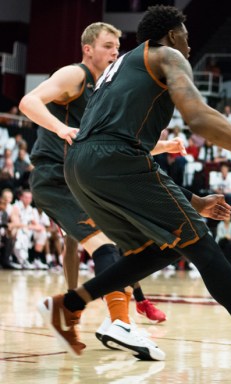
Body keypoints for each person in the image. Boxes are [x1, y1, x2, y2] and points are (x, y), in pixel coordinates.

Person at [36, 6, 231, 382]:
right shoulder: (166, 55)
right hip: (114, 159)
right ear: (170, 36)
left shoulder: (123, 67)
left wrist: (192, 200)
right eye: (185, 36)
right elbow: (199, 119)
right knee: (204, 249)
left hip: (79, 165)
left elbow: (113, 142)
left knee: (160, 248)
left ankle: (70, 304)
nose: (188, 43)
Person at [19, 22, 182, 355]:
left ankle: (72, 313)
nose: (115, 51)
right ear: (88, 49)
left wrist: (163, 148)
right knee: (105, 245)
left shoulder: (106, 89)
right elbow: (28, 102)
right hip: (55, 176)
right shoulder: (73, 75)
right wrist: (61, 127)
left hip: (82, 178)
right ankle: (117, 321)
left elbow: (112, 143)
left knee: (125, 246)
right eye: (108, 45)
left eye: (118, 45)